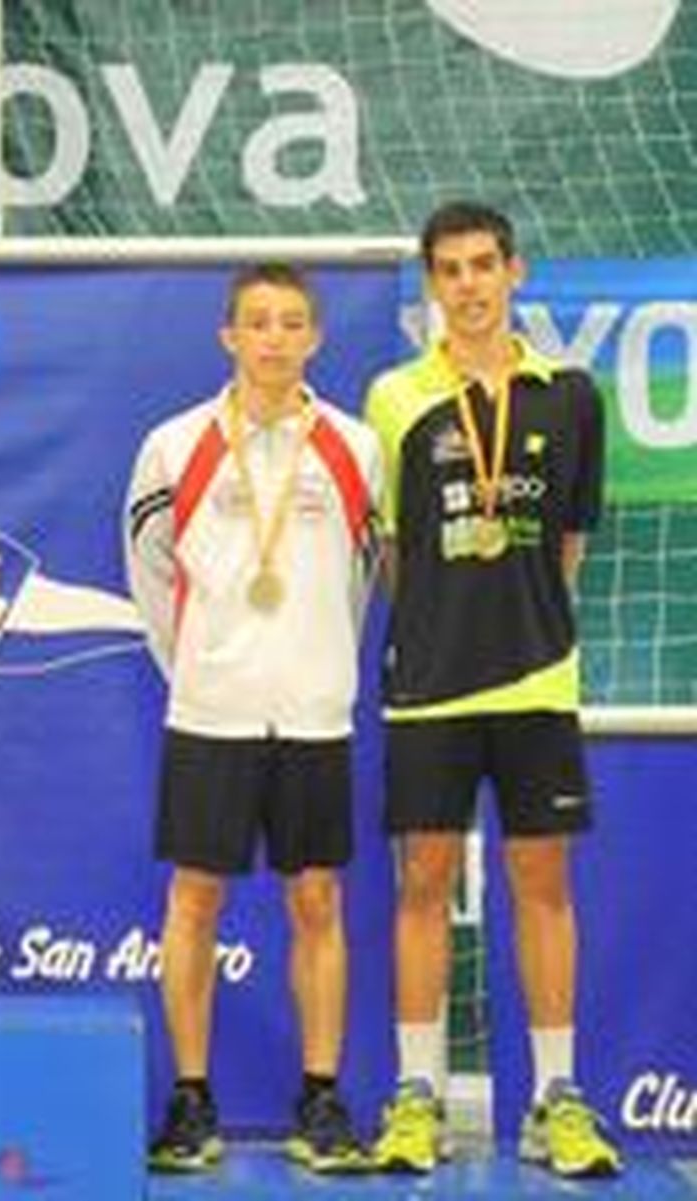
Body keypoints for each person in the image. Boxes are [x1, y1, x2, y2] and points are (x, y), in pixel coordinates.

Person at [367, 201, 621, 1177]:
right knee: (421, 885)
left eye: (483, 265)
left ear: (514, 272)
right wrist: (443, 623)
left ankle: (556, 1097)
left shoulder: (570, 395)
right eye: (450, 269)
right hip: (428, 687)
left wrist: (515, 623)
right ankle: (414, 1097)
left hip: (535, 682)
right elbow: (394, 550)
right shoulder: (394, 395)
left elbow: (569, 544)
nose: (468, 284)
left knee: (542, 886)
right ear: (431, 284)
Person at [125, 264, 381, 1174]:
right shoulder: (173, 444)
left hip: (315, 713)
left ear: (315, 338)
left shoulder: (356, 446)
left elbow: (360, 581)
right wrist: (199, 664)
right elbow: (149, 575)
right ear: (228, 337)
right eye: (257, 323)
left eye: (292, 323)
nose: (275, 338)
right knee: (195, 898)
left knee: (317, 899)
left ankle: (320, 1098)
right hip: (210, 711)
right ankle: (193, 1100)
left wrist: (320, 667)